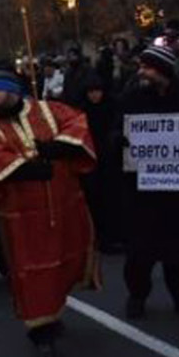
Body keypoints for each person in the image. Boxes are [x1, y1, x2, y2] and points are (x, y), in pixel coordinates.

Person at [0, 71, 100, 357]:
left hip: (64, 207)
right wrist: (33, 169)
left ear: (12, 92)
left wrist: (59, 147)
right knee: (31, 275)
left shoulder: (50, 109)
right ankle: (41, 335)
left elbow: (78, 123)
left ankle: (52, 316)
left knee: (63, 265)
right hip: (22, 219)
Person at [119, 45, 179, 320]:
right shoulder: (133, 98)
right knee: (140, 251)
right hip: (144, 188)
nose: (141, 73)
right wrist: (119, 141)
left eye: (146, 67)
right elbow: (117, 129)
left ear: (163, 70)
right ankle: (137, 296)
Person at [80, 75, 125, 253]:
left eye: (97, 91)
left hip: (111, 161)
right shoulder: (83, 111)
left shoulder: (113, 107)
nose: (94, 96)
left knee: (114, 199)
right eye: (91, 92)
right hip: (94, 161)